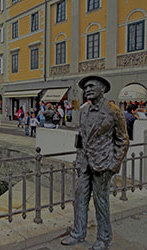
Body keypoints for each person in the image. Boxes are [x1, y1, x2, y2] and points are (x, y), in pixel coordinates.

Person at [61, 75, 129, 250]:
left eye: (91, 86)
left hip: (103, 164)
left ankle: (104, 238)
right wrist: (78, 160)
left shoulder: (113, 111)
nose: (87, 89)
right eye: (85, 87)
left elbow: (123, 140)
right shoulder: (83, 111)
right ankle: (78, 233)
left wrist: (114, 164)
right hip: (84, 163)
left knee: (101, 201)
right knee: (79, 198)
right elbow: (81, 138)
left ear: (102, 89)